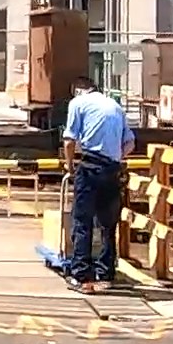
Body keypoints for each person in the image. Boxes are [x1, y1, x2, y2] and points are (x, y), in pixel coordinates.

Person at [60, 75, 135, 293]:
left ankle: (81, 275)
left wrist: (70, 166)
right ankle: (106, 273)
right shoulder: (115, 106)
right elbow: (130, 142)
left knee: (82, 221)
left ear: (78, 91)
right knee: (107, 224)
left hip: (90, 166)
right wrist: (115, 157)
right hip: (112, 169)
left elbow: (69, 140)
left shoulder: (78, 103)